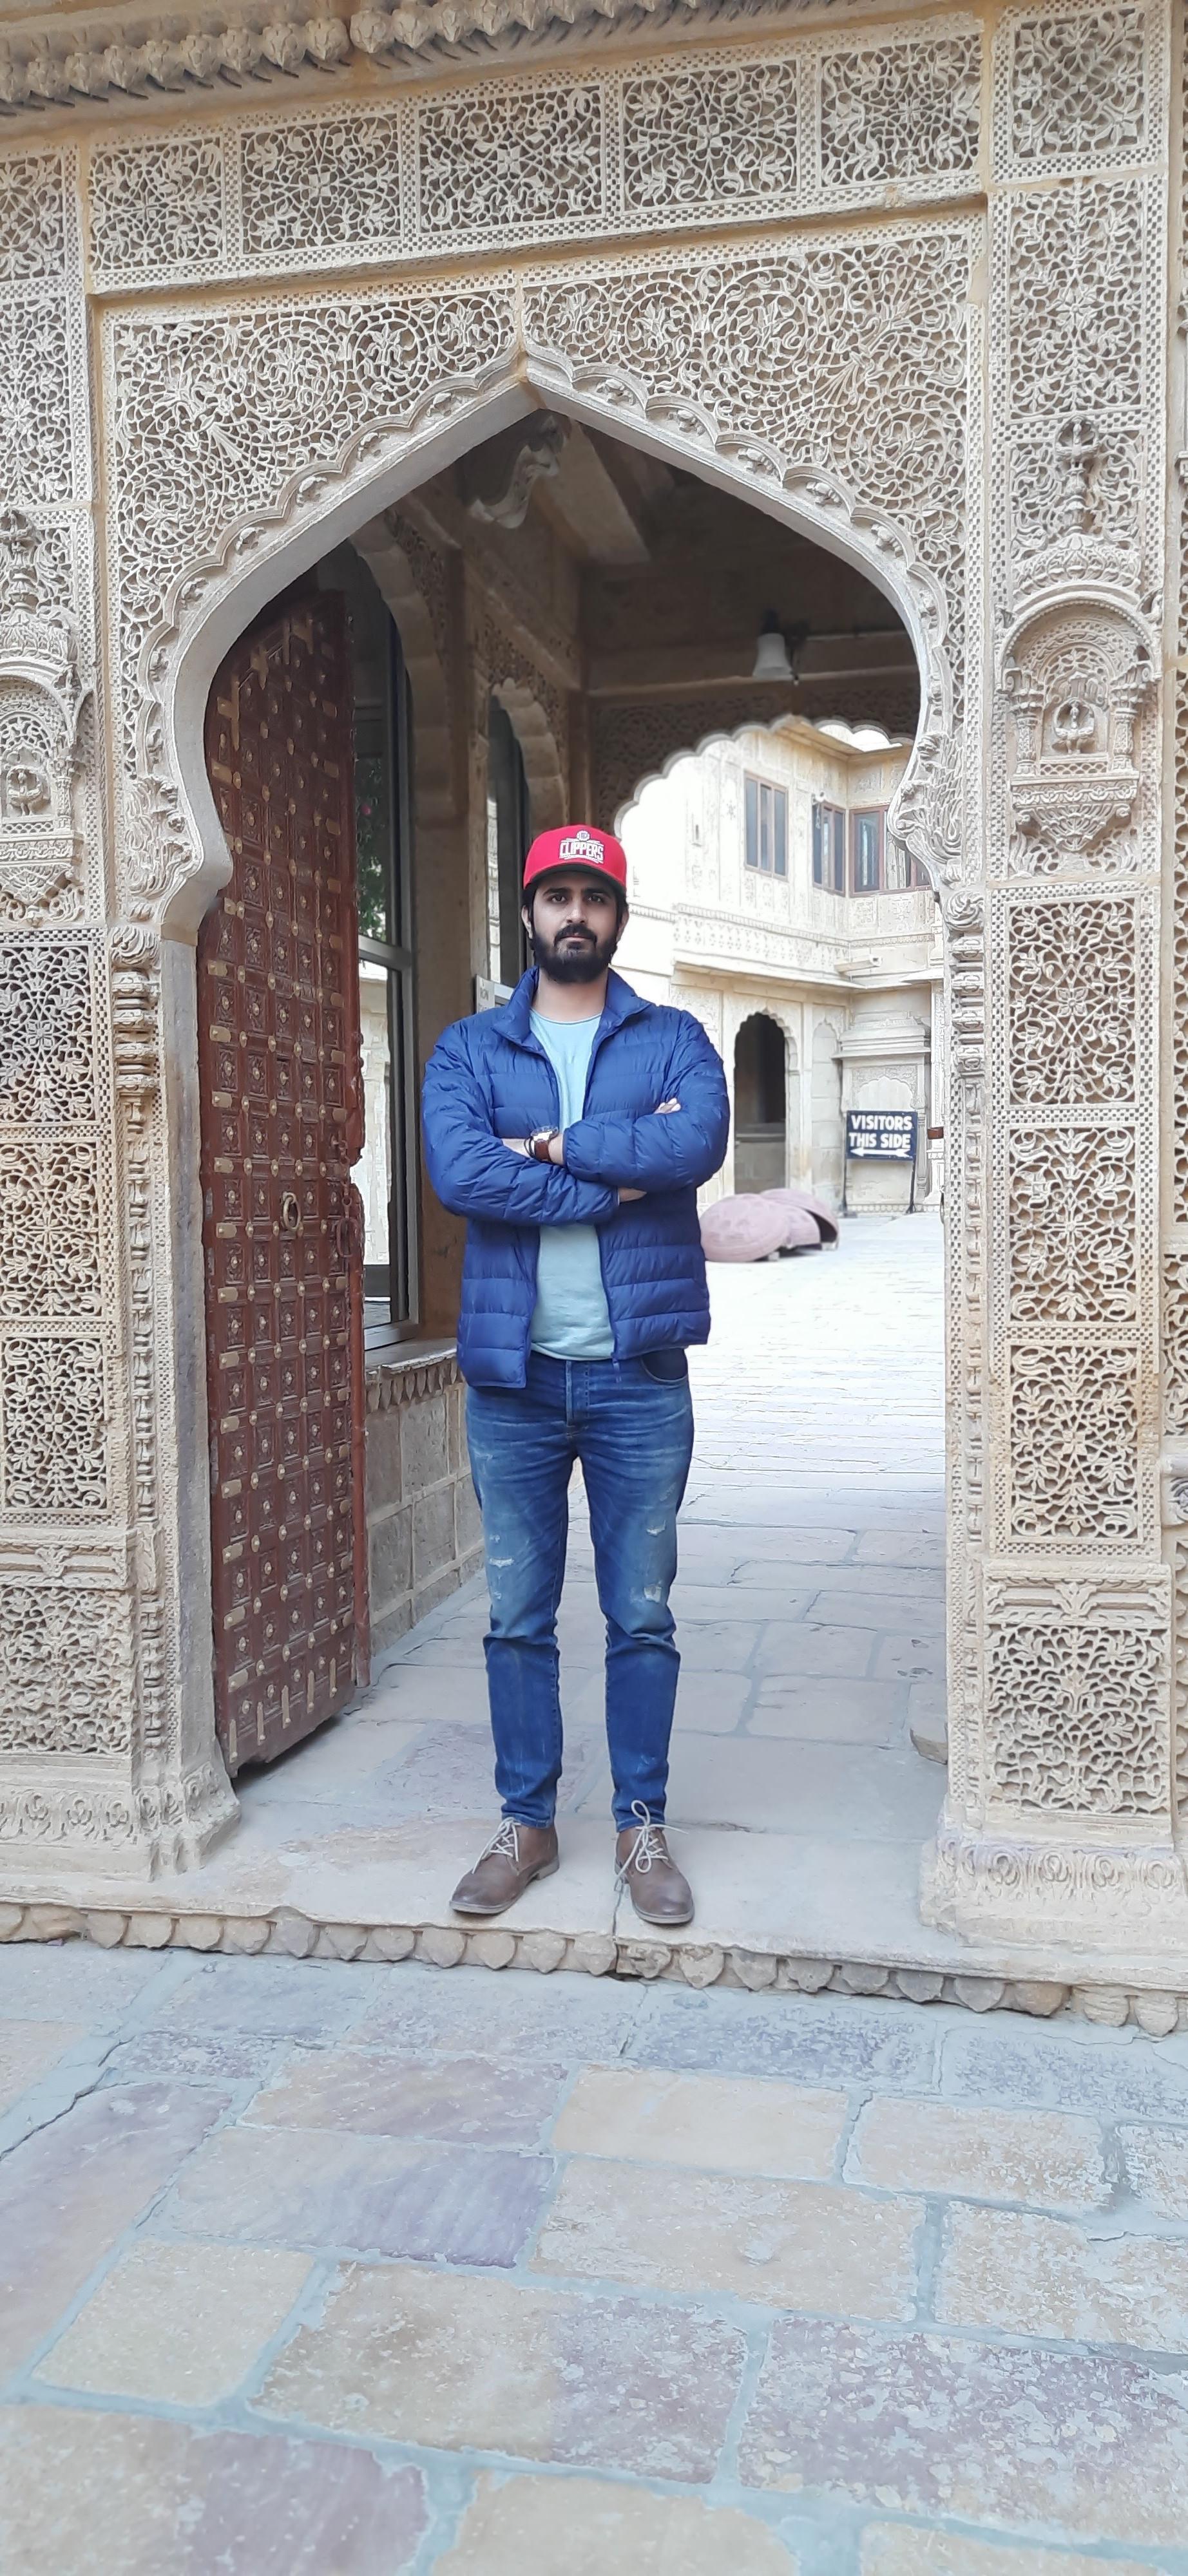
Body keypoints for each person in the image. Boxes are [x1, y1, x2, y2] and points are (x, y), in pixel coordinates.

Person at [421, 822, 729, 1926]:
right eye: (557, 895)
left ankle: (641, 1826)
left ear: (618, 917)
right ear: (528, 912)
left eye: (594, 898)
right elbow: (461, 1174)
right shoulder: (468, 1049)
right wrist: (616, 1176)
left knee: (641, 1613)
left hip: (637, 1376)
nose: (575, 914)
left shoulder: (675, 1038)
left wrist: (550, 1148)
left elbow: (694, 1146)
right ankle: (529, 1823)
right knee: (517, 1613)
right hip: (515, 1379)